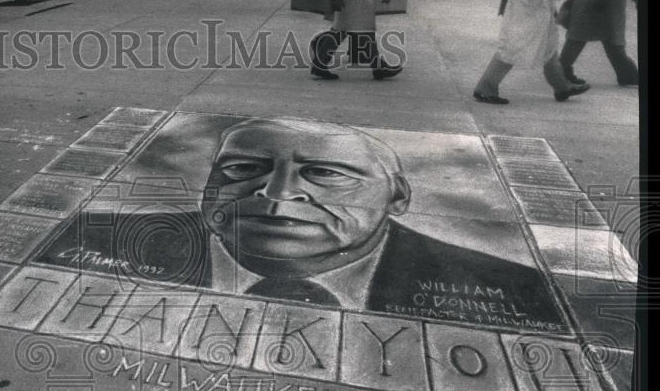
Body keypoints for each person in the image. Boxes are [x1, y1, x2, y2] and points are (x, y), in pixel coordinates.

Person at [37, 119, 562, 327]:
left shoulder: (516, 290)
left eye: (326, 174)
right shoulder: (88, 239)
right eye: (243, 169)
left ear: (398, 196)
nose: (277, 193)